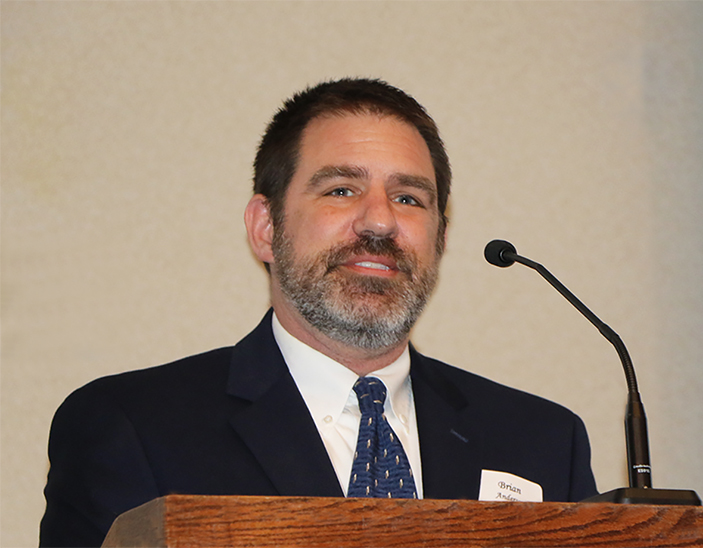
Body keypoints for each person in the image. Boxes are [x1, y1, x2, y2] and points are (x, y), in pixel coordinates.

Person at [40, 78, 598, 547]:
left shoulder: (544, 442)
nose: (379, 222)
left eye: (409, 198)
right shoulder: (131, 427)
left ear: (441, 238)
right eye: (340, 190)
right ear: (266, 227)